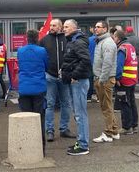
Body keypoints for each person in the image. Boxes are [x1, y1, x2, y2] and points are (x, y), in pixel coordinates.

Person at [39, 19, 75, 142]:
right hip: (50, 76)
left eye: (54, 25)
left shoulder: (67, 39)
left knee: (66, 103)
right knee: (50, 104)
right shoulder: (44, 40)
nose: (51, 27)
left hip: (64, 76)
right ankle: (49, 130)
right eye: (51, 25)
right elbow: (41, 57)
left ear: (60, 27)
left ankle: (64, 129)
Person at [61, 19, 91, 156]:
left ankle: (83, 146)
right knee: (78, 114)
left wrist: (74, 75)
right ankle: (81, 141)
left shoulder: (78, 42)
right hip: (77, 81)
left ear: (74, 28)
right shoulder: (74, 41)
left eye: (66, 27)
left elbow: (85, 60)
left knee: (80, 115)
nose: (64, 29)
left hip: (78, 82)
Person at [17, 29, 48, 152]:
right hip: (39, 87)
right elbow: (46, 66)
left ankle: (26, 147)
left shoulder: (20, 51)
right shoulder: (42, 51)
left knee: (25, 117)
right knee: (39, 118)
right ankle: (40, 148)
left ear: (26, 38)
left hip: (24, 87)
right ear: (37, 38)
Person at [91, 21, 119, 143]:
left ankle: (108, 133)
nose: (96, 29)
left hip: (105, 79)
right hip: (102, 78)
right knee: (107, 106)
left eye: (99, 27)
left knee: (106, 107)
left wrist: (101, 79)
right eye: (95, 27)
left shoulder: (107, 43)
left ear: (105, 29)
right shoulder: (101, 41)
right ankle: (114, 130)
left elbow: (107, 63)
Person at [113, 30, 139, 135]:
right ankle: (134, 125)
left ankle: (126, 127)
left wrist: (117, 78)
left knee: (124, 104)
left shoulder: (122, 49)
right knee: (132, 103)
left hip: (124, 81)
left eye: (114, 37)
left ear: (118, 38)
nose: (113, 39)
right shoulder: (131, 47)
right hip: (132, 79)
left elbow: (119, 66)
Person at [125, 26, 139, 98]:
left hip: (129, 60)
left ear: (126, 31)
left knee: (129, 76)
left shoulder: (126, 40)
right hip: (137, 59)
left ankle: (131, 93)